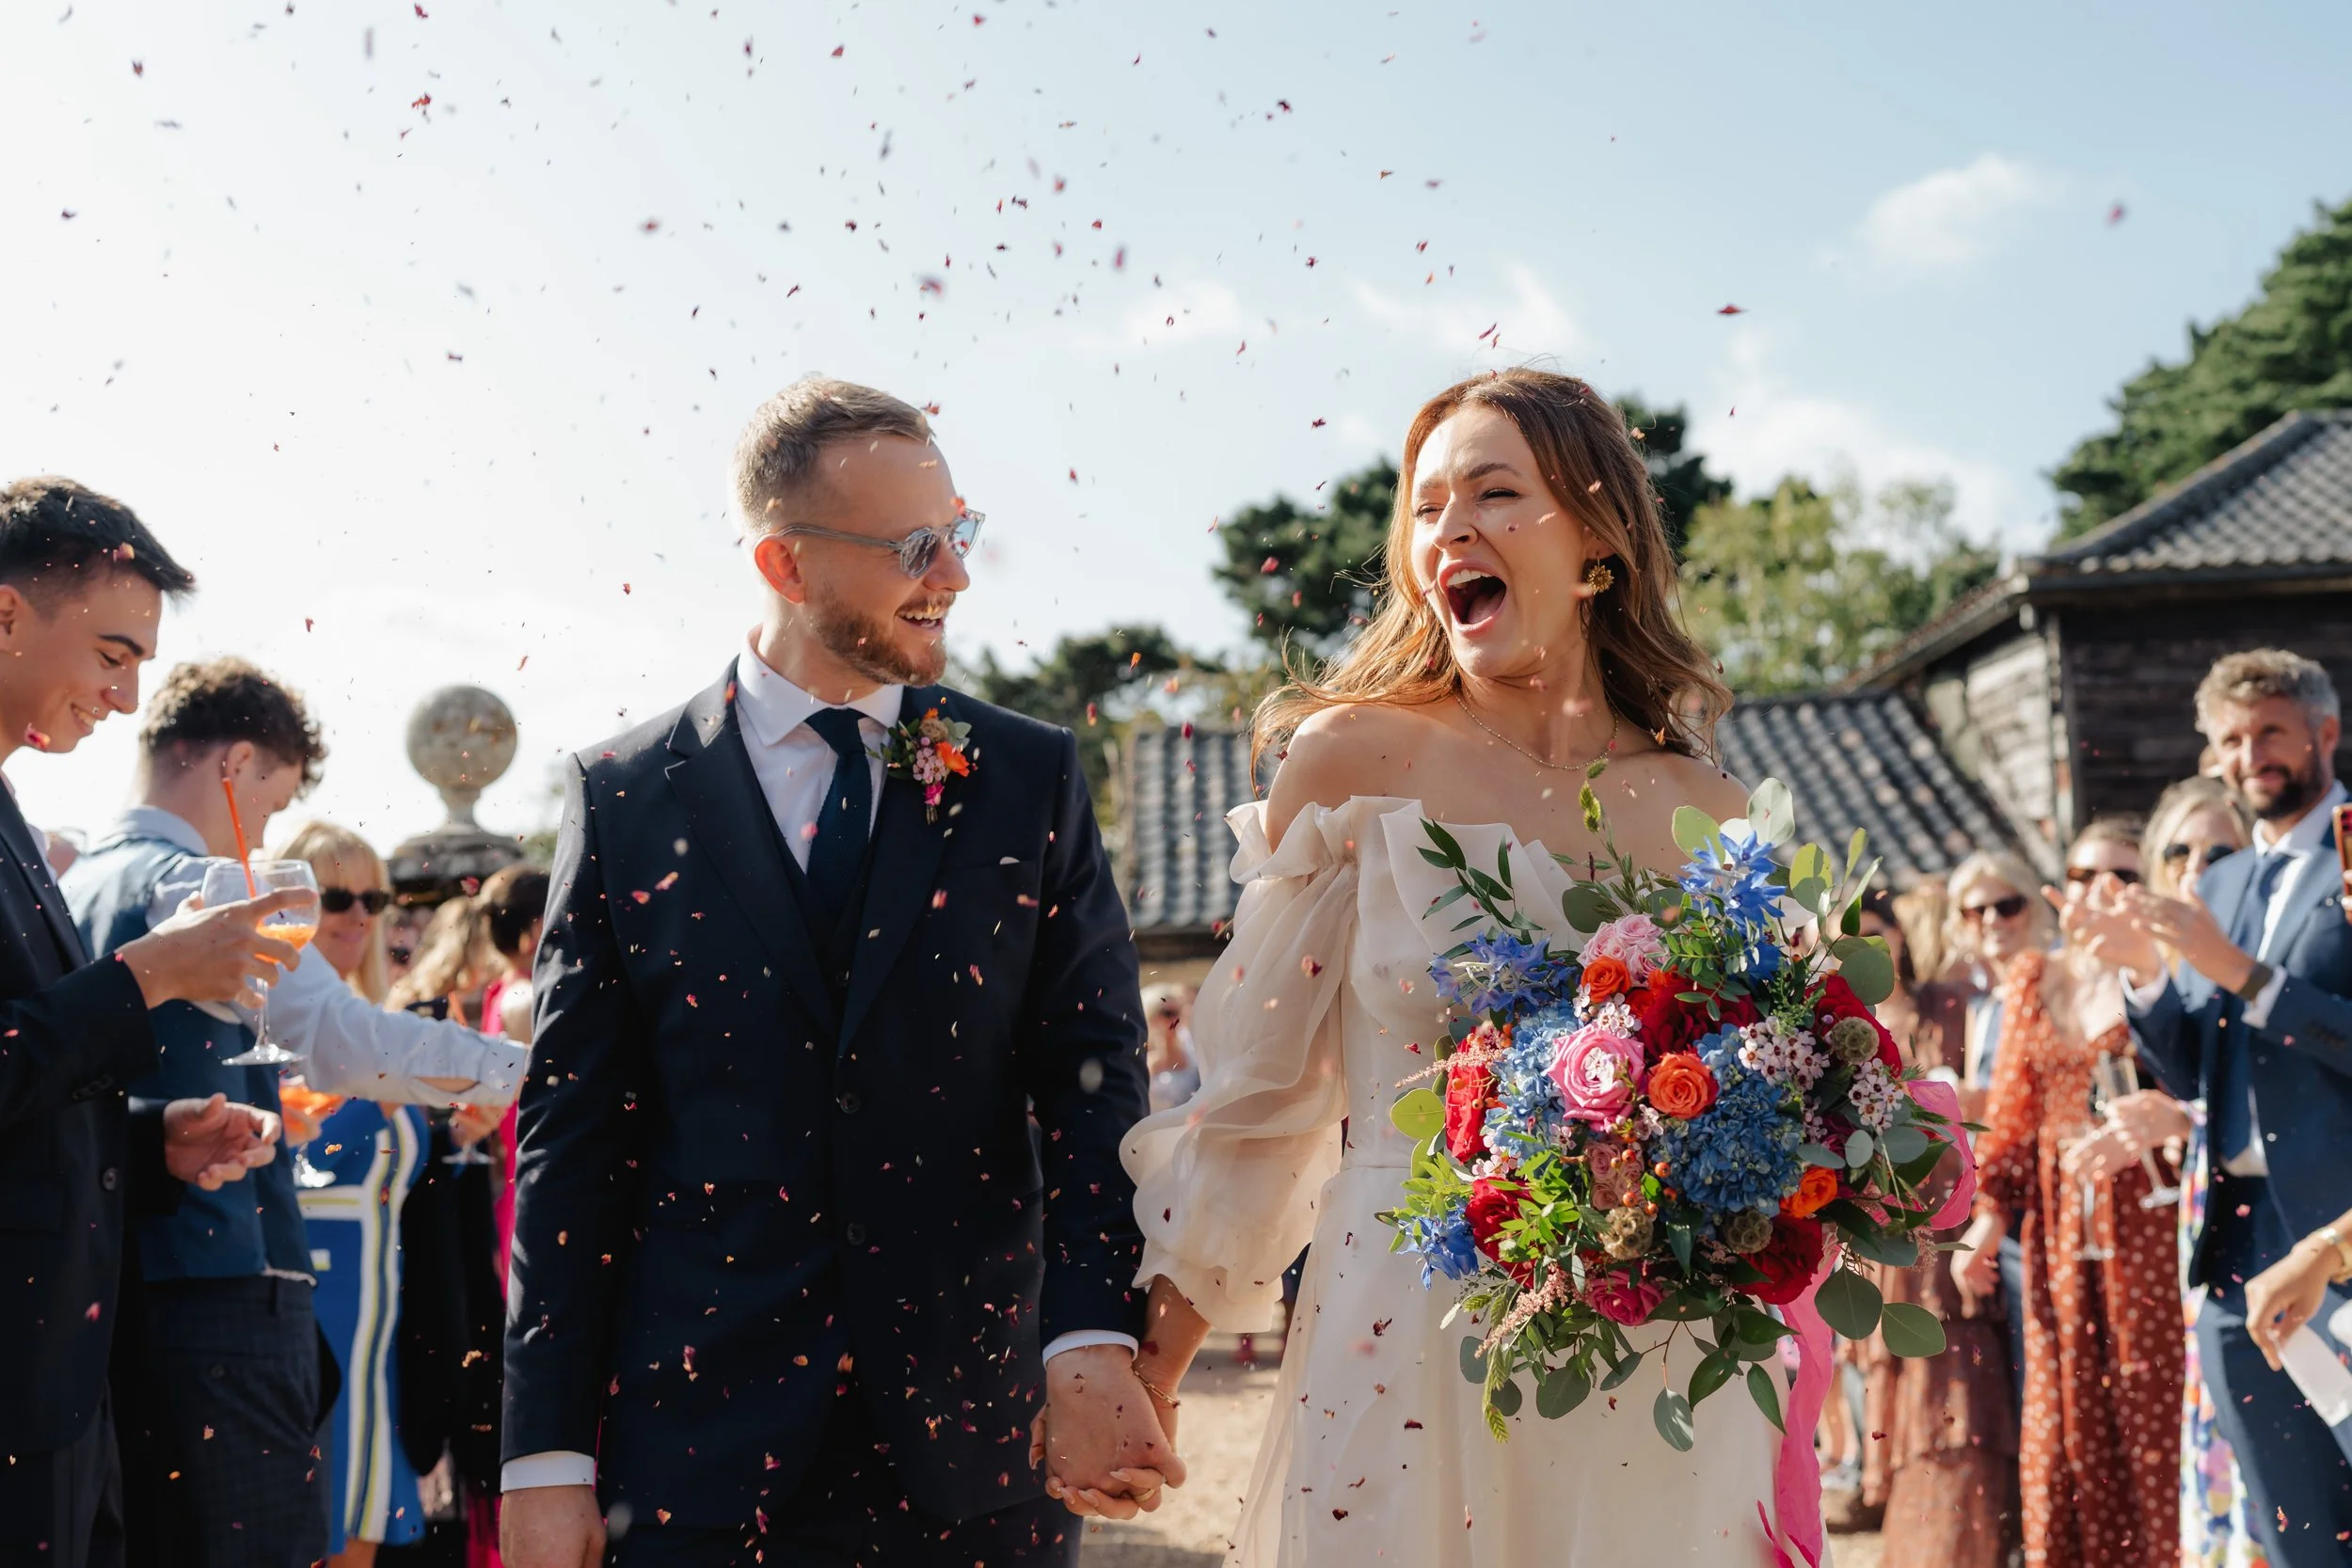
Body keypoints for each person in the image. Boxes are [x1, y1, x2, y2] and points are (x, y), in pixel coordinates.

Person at [1120, 369, 1786, 1564]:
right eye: (1426, 509)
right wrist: (1153, 1369)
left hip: (1663, 1349)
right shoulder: (1352, 759)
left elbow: (1768, 1089)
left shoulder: (1710, 809)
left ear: (1597, 539)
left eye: (1494, 492)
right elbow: (1260, 1100)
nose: (1451, 531)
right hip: (1407, 1320)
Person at [500, 377, 1163, 1568]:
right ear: (785, 562)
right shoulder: (625, 797)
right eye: (915, 547)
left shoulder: (1027, 776)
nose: (954, 575)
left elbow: (1094, 1083)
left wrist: (1088, 1338)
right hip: (701, 1459)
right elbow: (574, 1138)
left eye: (958, 533)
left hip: (978, 1447)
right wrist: (543, 1457)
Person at [62, 657, 530, 1568]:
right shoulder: (205, 878)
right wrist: (526, 1069)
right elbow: (339, 1035)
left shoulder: (72, 885)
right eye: (272, 805)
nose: (266, 831)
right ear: (237, 764)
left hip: (100, 1291)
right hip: (225, 1287)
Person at [0, 477, 301, 1568]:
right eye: (112, 654)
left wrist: (146, 1139)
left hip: (64, 1402)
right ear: (6, 614)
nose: (127, 699)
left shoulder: (15, 812)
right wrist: (145, 977)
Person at [2096, 649, 2352, 1565]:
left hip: (2339, 1234)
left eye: (2270, 731)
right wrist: (2142, 972)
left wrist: (2247, 974)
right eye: (2232, 739)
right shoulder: (2229, 880)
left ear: (2325, 732)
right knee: (2293, 1533)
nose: (2252, 756)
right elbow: (2196, 1072)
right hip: (2235, 1249)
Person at [1955, 820, 2181, 1564]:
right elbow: (2012, 1113)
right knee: (2062, 1417)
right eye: (2082, 874)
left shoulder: (2167, 971)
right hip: (2058, 1227)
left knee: (2150, 1411)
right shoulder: (2034, 976)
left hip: (2150, 1218)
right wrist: (1989, 1220)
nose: (2099, 889)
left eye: (2121, 873)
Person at [271, 820, 436, 1566]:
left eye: (374, 897)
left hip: (376, 1325)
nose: (359, 915)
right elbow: (295, 1152)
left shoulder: (370, 1017)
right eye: (336, 896)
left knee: (361, 1527)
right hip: (313, 1315)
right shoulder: (266, 1014)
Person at [1850, 888, 2018, 1565]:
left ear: (1898, 937)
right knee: (1911, 1402)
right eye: (1843, 937)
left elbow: (2001, 1089)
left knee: (1964, 1397)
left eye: (1871, 931)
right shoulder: (1827, 1032)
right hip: (1883, 1238)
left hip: (1958, 1225)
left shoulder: (1949, 1007)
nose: (1860, 948)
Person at [1141, 983, 1199, 1112]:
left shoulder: (1192, 1052)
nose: (1174, 1019)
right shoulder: (1140, 1056)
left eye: (1177, 1013)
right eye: (1167, 1013)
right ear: (1151, 1018)